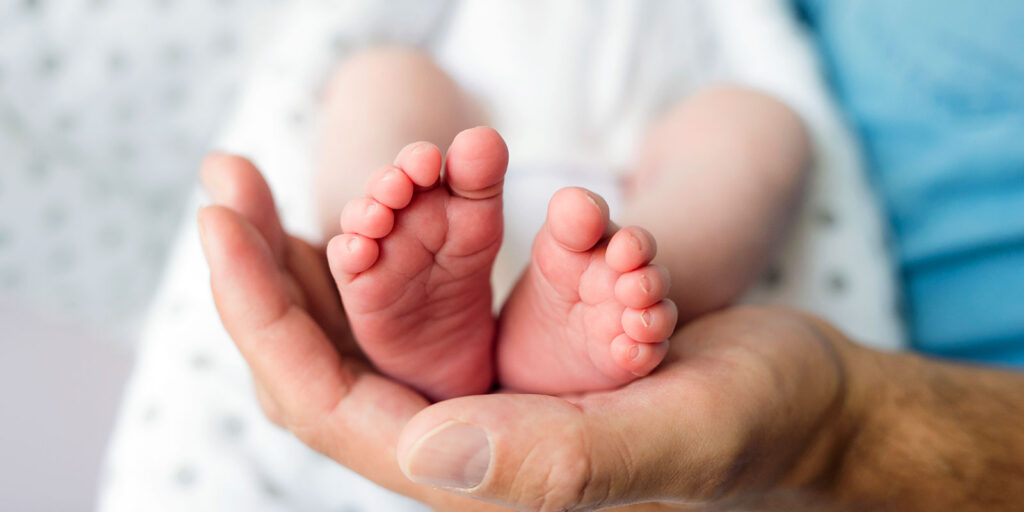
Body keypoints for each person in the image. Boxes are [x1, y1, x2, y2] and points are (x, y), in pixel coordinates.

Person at [195, 2, 1024, 512]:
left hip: (659, 131)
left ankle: (619, 295)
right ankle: (389, 273)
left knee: (759, 130)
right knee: (381, 79)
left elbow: (776, 50)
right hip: (469, 116)